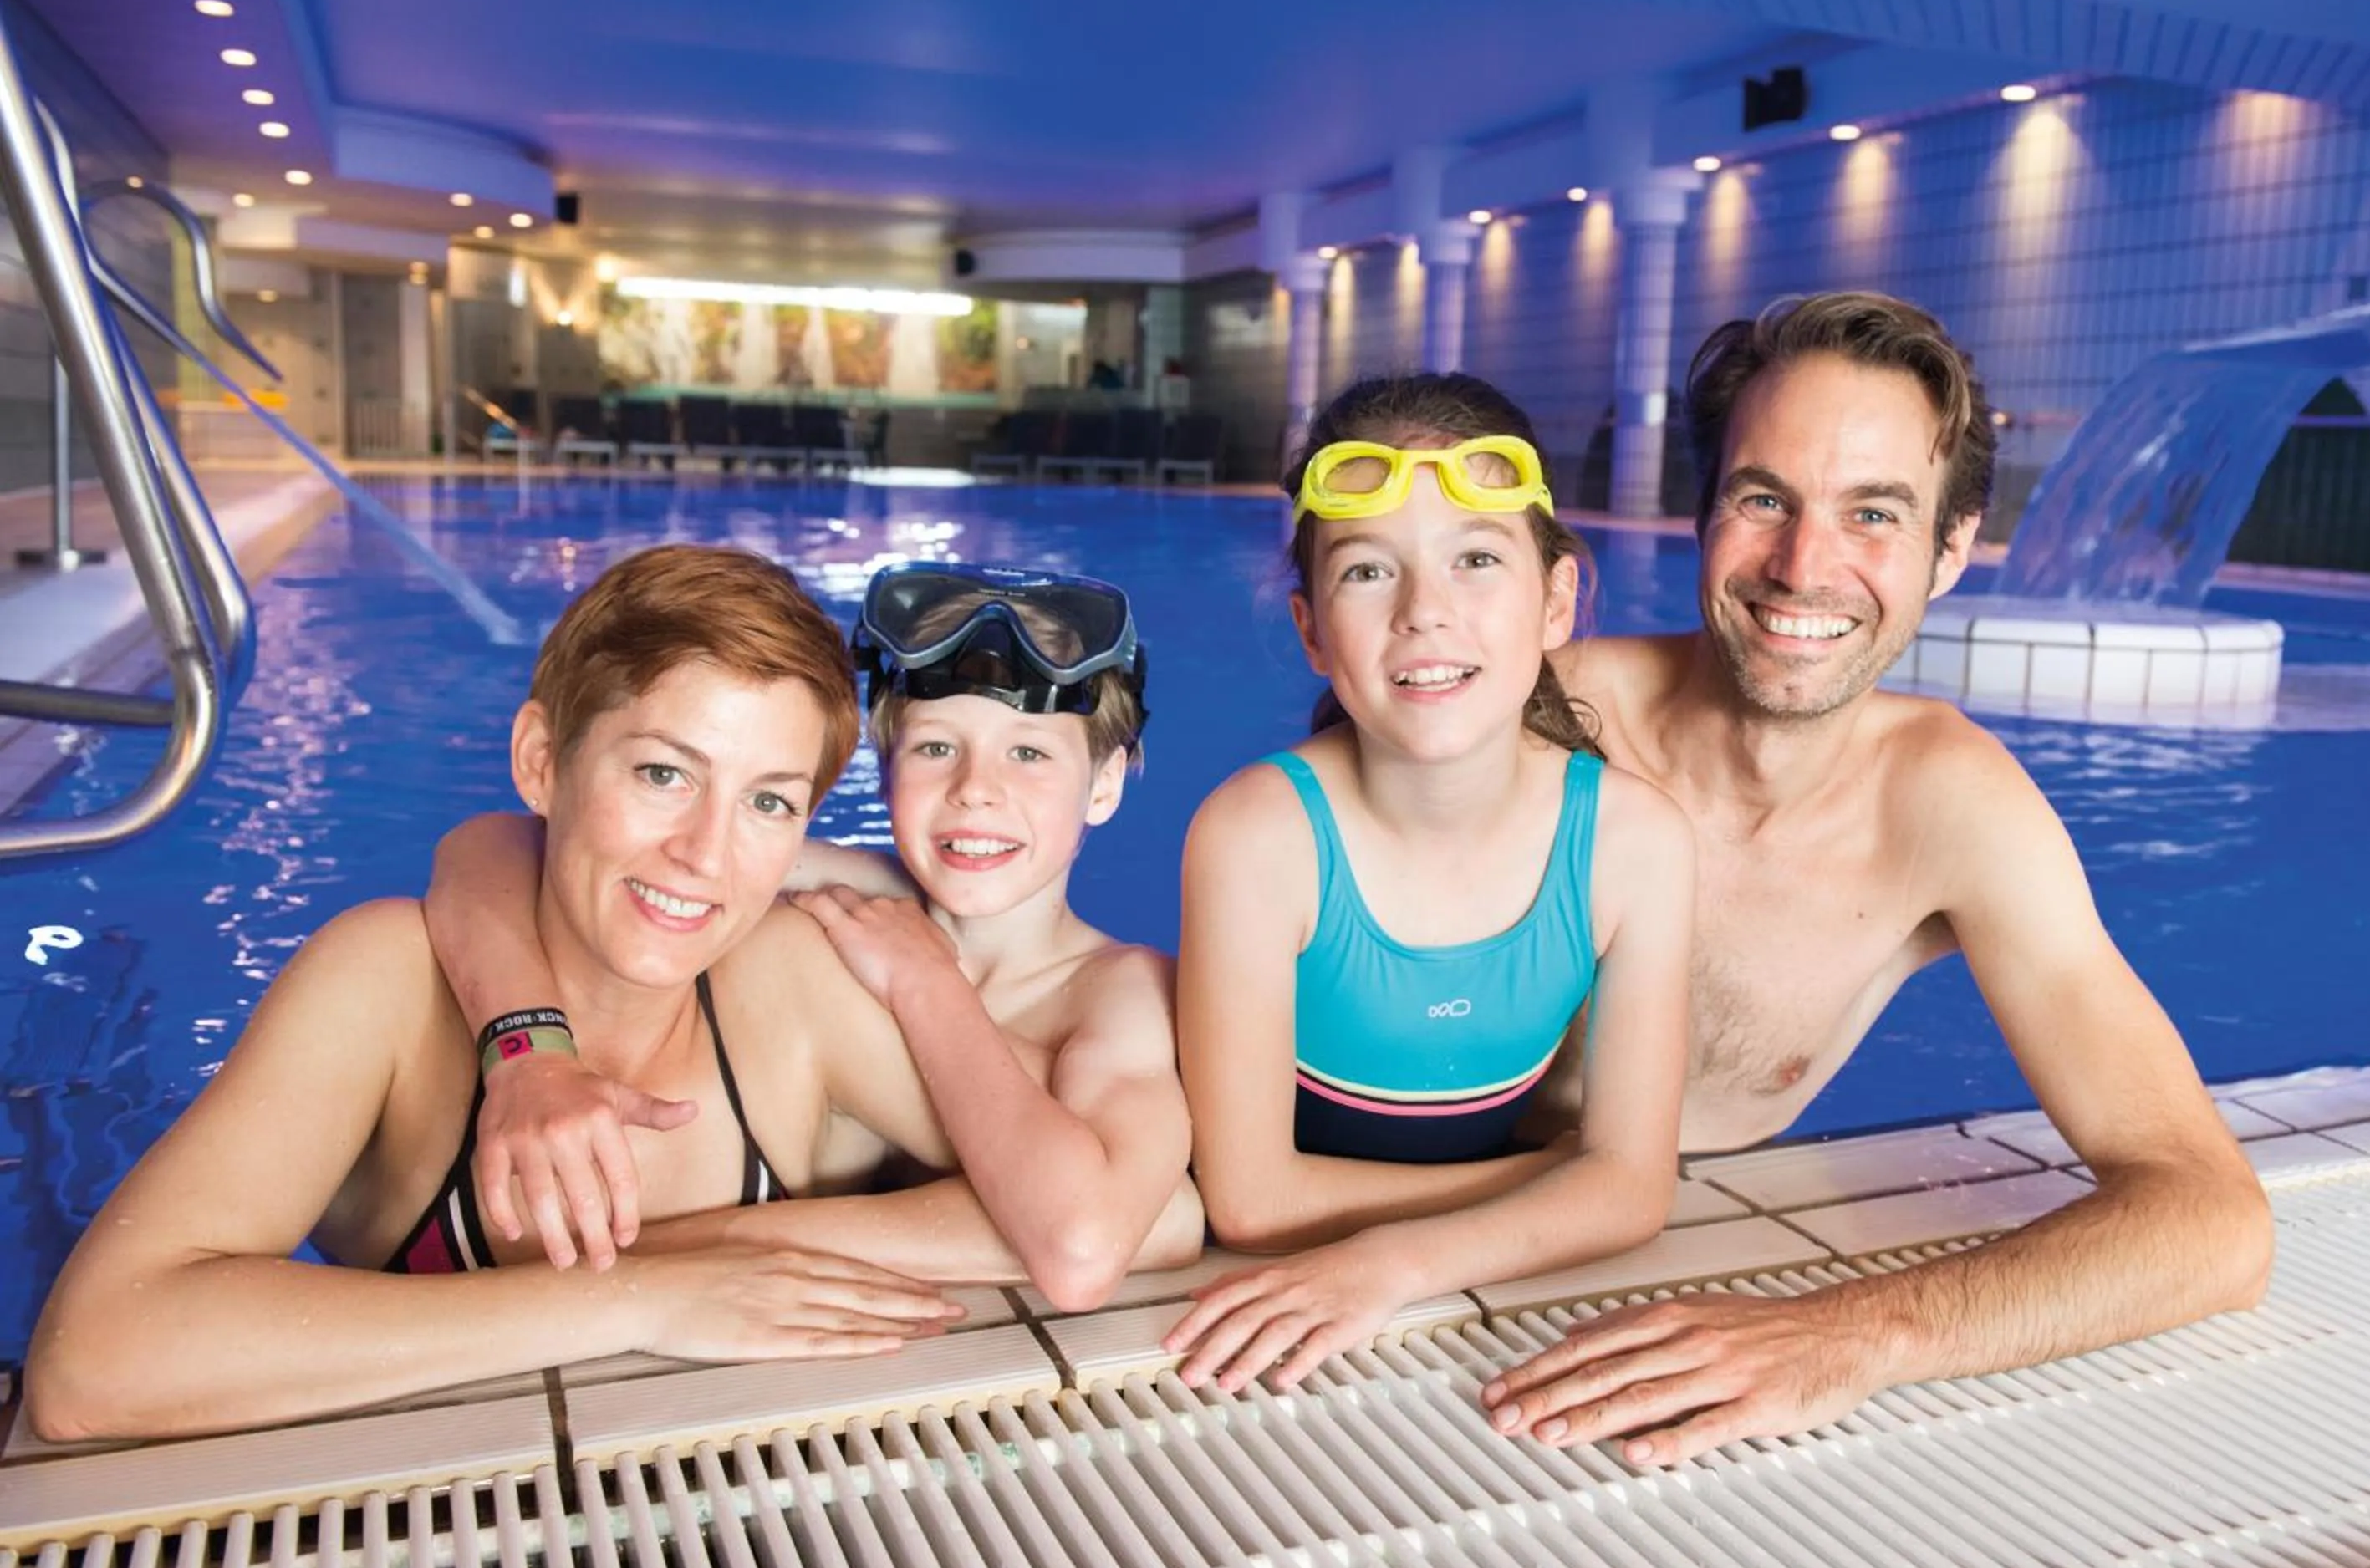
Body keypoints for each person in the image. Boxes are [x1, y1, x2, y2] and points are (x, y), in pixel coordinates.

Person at [1479, 291, 2274, 1465]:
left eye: (1874, 513)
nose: (1806, 567)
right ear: (1699, 515)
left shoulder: (1948, 802)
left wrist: (1854, 1331)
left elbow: (2213, 1220)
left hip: (1648, 1312)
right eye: (1765, 500)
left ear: (1952, 548)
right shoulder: (1536, 714)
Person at [26, 546, 966, 1440]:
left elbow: (1082, 1211)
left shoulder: (793, 978)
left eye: (769, 801)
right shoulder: (386, 984)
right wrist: (647, 1298)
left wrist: (737, 1249)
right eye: (662, 772)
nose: (705, 853)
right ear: (539, 760)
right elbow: (93, 1363)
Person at [424, 561, 1200, 1312]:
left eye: (1028, 754)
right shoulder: (854, 898)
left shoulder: (1123, 995)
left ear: (1103, 785)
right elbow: (495, 845)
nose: (975, 791)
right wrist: (530, 1051)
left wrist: (926, 986)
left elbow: (1087, 1250)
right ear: (885, 773)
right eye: (936, 748)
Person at [1164, 374, 1696, 1392]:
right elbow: (1250, 1202)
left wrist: (1395, 1263)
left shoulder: (1632, 846)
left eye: (1478, 559)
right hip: (1259, 1314)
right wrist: (1567, 1177)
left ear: (1557, 601)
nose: (1425, 612)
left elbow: (1634, 1191)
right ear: (1312, 629)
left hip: (1394, 1309)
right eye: (1368, 571)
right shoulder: (1258, 836)